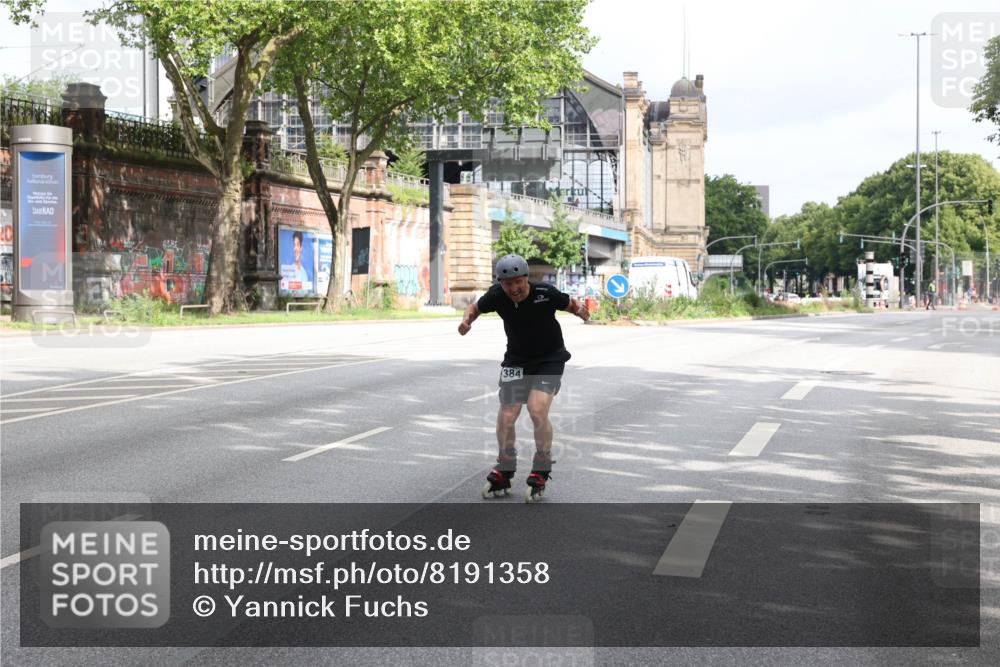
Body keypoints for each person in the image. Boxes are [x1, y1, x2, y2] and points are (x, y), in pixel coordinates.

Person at [458, 254, 590, 502]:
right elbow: (474, 308)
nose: (514, 289)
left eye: (518, 282)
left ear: (526, 279)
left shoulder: (545, 292)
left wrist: (581, 311)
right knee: (508, 413)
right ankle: (505, 464)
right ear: (501, 283)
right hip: (516, 361)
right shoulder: (496, 295)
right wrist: (466, 321)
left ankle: (542, 464)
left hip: (550, 358)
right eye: (508, 284)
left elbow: (569, 303)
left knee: (537, 409)